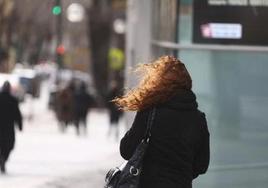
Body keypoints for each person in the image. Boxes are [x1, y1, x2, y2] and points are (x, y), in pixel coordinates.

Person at [113, 56, 210, 188]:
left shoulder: (149, 112)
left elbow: (126, 150)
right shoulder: (199, 119)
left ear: (158, 83)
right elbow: (202, 165)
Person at [0, 81, 23, 174]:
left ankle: (2, 159)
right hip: (9, 127)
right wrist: (20, 125)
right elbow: (18, 114)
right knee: (9, 145)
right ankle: (3, 159)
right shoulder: (13, 100)